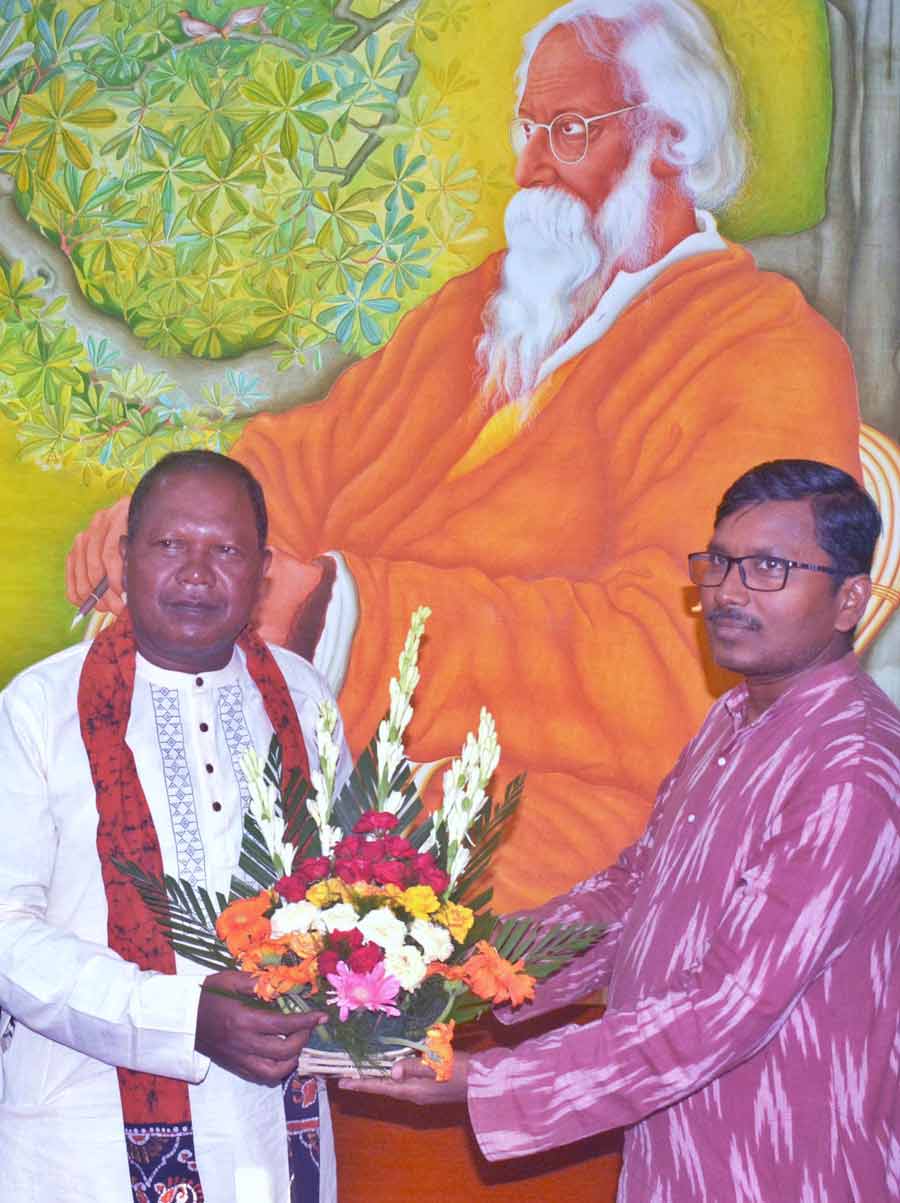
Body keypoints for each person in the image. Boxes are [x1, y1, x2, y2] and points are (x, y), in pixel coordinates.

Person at [66, 0, 862, 919]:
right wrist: (179, 520)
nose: (529, 169)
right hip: (333, 742)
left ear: (672, 139)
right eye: (529, 130)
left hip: (550, 805)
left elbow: (680, 661)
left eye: (567, 131)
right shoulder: (492, 304)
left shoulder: (763, 352)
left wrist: (346, 614)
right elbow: (308, 455)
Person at [341, 458, 900, 1201]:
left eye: (770, 567)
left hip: (791, 1166)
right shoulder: (735, 719)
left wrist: (491, 1083)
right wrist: (448, 973)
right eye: (721, 562)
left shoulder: (851, 765)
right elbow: (633, 896)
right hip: (678, 1154)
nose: (729, 590)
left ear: (848, 599)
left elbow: (731, 1004)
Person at [0, 451, 352, 1203]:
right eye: (169, 545)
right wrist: (183, 1016)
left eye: (225, 550)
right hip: (83, 1140)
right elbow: (6, 933)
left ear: (261, 572)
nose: (197, 572)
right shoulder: (37, 707)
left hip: (276, 1133)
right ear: (125, 556)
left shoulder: (305, 695)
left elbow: (350, 888)